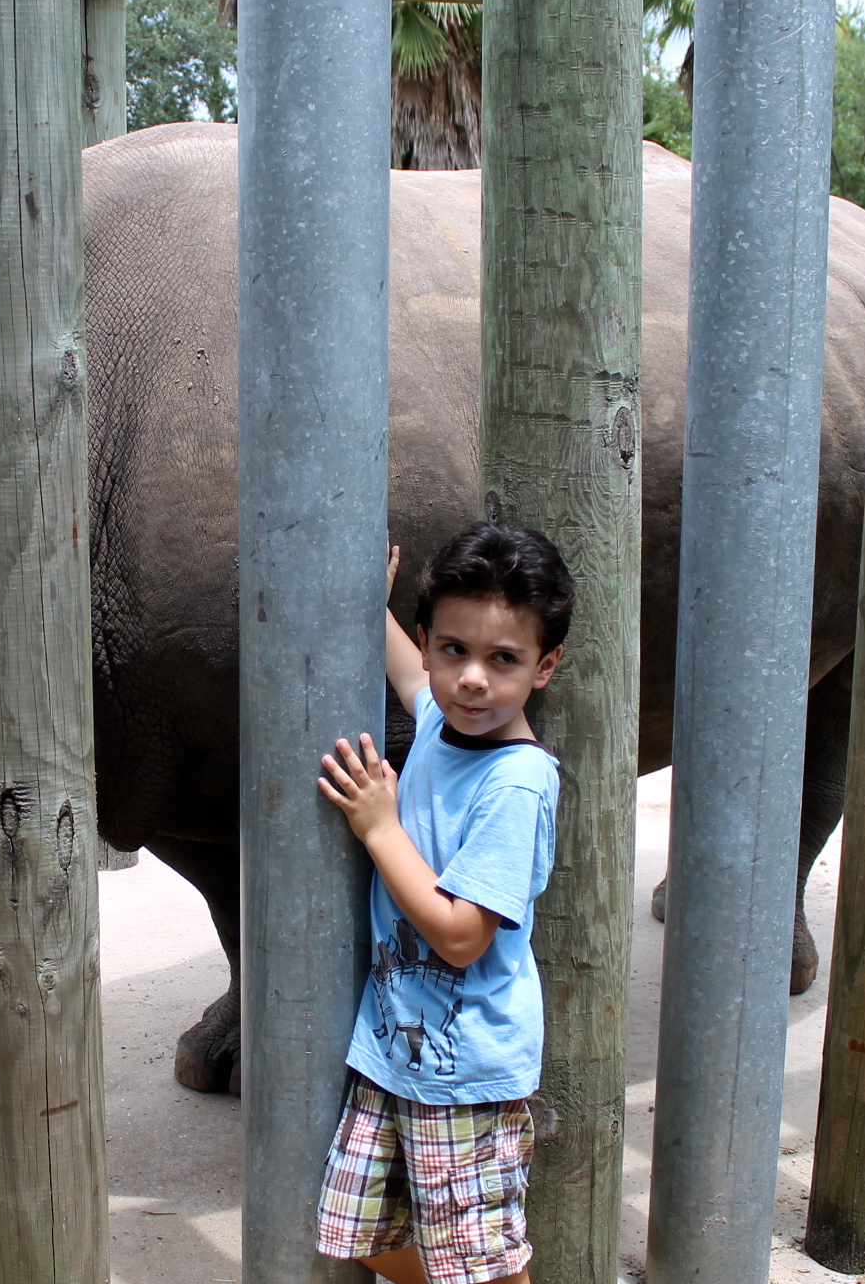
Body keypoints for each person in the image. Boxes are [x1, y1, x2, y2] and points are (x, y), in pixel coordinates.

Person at [314, 522, 573, 1284]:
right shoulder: (437, 718)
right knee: (363, 1231)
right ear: (428, 645)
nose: (471, 679)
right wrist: (371, 601)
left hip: (467, 1070)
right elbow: (406, 676)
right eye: (454, 651)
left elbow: (462, 936)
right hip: (394, 1051)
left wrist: (380, 828)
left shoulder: (515, 784)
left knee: (481, 1265)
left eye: (503, 660)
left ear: (544, 667)